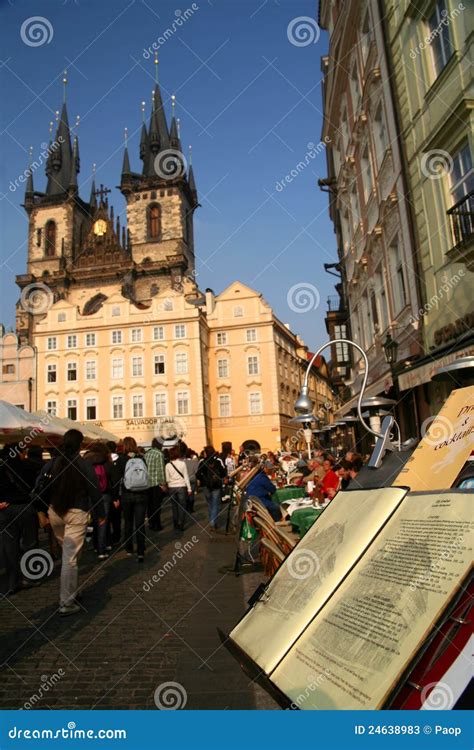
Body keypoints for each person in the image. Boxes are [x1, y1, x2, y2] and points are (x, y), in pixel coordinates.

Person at [48, 429, 103, 616]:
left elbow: (39, 485)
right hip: (77, 512)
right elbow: (94, 490)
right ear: (80, 445)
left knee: (68, 554)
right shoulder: (84, 464)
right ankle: (66, 602)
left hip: (54, 511)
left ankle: (70, 591)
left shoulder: (53, 462)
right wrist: (100, 513)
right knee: (70, 559)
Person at [0, 445, 40, 596]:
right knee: (30, 543)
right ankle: (31, 576)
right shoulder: (28, 466)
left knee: (10, 547)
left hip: (4, 511)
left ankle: (12, 582)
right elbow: (35, 487)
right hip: (25, 507)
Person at [117, 436, 149, 562]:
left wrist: (116, 496)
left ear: (124, 446)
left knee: (128, 523)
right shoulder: (141, 457)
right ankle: (141, 551)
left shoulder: (121, 459)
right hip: (142, 494)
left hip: (127, 494)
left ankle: (129, 548)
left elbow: (117, 478)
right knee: (140, 523)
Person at [84, 441, 113, 560]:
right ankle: (102, 550)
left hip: (90, 494)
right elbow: (111, 477)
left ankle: (96, 545)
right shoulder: (106, 461)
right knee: (103, 521)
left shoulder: (86, 461)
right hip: (104, 494)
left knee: (94, 520)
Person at [196, 446, 227, 531]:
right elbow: (223, 473)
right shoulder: (217, 462)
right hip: (216, 486)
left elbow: (198, 474)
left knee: (210, 504)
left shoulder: (202, 463)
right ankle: (213, 522)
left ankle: (212, 521)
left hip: (206, 486)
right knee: (215, 504)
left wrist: (203, 480)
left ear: (206, 452)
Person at [165, 445, 191, 531]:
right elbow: (186, 476)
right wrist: (189, 488)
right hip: (181, 486)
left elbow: (167, 479)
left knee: (174, 506)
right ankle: (181, 523)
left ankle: (175, 523)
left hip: (172, 487)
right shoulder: (182, 464)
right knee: (182, 506)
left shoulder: (167, 465)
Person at [145, 438, 167, 531]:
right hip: (156, 484)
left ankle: (151, 523)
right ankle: (157, 525)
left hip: (147, 484)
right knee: (157, 505)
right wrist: (163, 484)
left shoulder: (146, 454)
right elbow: (161, 470)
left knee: (150, 505)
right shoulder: (159, 454)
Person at [106, 441, 122, 546]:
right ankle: (116, 537)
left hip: (106, 493)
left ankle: (107, 539)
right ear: (115, 448)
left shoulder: (105, 461)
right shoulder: (121, 460)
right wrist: (116, 498)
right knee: (117, 518)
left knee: (107, 518)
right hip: (117, 493)